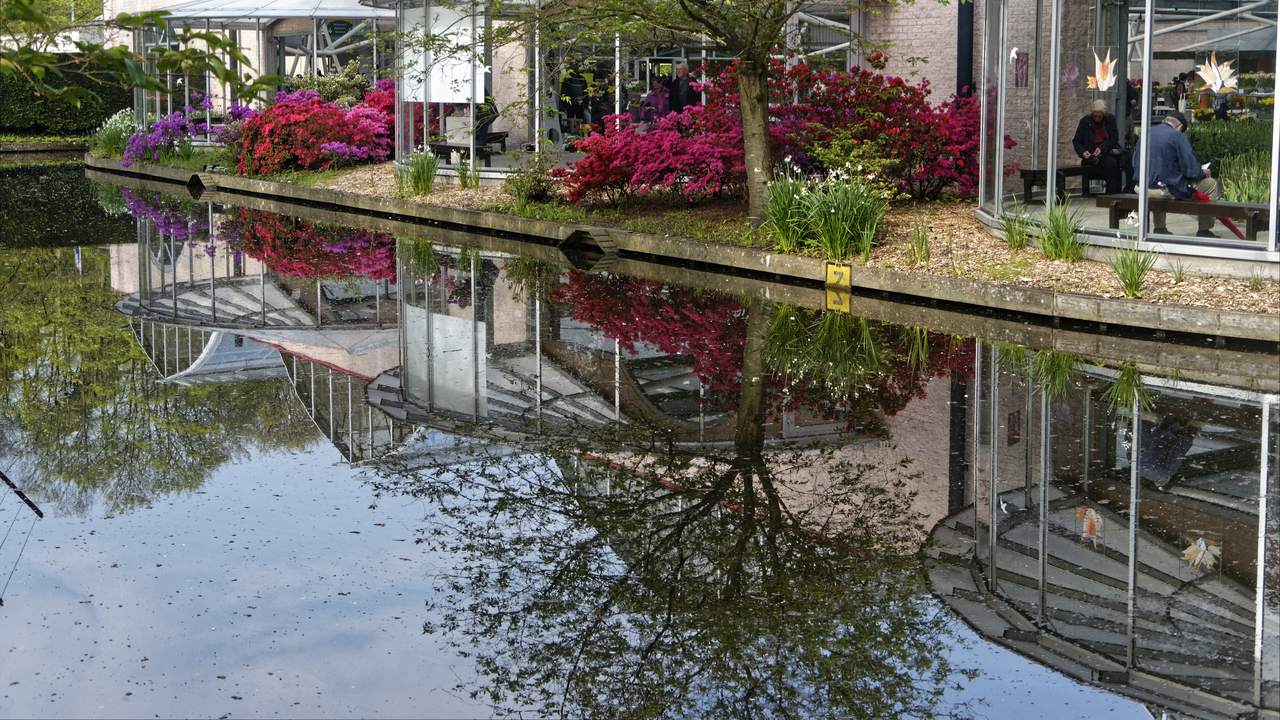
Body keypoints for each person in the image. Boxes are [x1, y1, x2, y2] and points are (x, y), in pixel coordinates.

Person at [1138, 111, 1221, 237]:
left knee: (1158, 179)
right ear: (1180, 127)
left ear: (1164, 121)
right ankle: (1204, 229)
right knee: (1211, 184)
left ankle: (1160, 227)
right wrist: (1203, 173)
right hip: (1165, 191)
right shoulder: (1178, 136)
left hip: (1142, 188)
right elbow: (1192, 170)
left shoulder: (1146, 133)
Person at [1072, 99, 1134, 195]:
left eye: (1099, 116)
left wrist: (1102, 147)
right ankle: (1111, 193)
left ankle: (1130, 188)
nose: (1097, 118)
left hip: (1108, 149)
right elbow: (1077, 141)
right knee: (1111, 163)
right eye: (1095, 116)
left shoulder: (1110, 119)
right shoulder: (1085, 122)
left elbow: (1114, 137)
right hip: (1093, 154)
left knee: (1128, 158)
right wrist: (1083, 151)